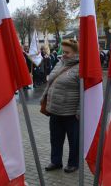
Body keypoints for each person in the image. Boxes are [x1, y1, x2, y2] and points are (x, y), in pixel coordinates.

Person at [41, 39, 80, 173]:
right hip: (55, 111)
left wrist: (79, 111)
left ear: (76, 53)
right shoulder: (59, 63)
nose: (63, 54)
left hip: (71, 113)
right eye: (62, 51)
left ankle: (73, 163)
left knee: (73, 141)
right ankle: (56, 162)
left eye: (67, 52)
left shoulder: (81, 67)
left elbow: (84, 92)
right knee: (55, 139)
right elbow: (51, 82)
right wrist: (44, 99)